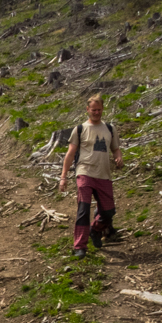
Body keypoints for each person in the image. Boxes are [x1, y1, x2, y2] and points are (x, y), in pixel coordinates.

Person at [59, 93, 123, 259]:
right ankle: (80, 246)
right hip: (84, 173)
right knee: (83, 209)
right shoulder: (80, 129)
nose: (96, 113)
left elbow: (115, 148)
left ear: (102, 109)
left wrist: (118, 156)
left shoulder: (110, 129)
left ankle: (95, 230)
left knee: (109, 211)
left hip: (104, 174)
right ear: (87, 109)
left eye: (99, 110)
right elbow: (70, 153)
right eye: (93, 110)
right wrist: (63, 176)